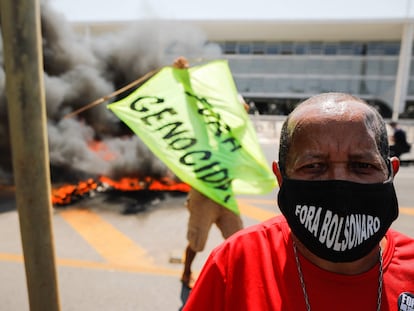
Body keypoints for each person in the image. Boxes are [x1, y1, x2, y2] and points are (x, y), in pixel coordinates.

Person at [183, 92, 414, 311]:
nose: (340, 183)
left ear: (390, 172)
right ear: (281, 178)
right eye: (313, 166)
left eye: (363, 166)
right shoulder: (235, 263)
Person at [172, 56, 244, 310]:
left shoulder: (238, 136)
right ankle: (186, 272)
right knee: (196, 243)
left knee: (238, 240)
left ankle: (236, 279)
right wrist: (183, 76)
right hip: (203, 195)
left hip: (225, 195)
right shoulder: (205, 130)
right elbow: (193, 104)